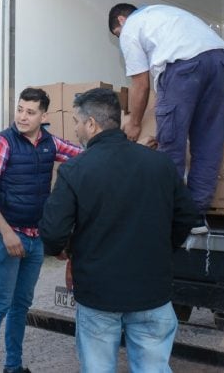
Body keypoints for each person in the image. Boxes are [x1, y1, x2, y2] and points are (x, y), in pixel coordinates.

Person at [39, 87, 200, 372]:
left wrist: (66, 249)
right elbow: (187, 216)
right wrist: (162, 248)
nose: (76, 129)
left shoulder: (75, 170)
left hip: (98, 295)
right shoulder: (159, 164)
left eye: (77, 121)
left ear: (92, 124)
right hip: (152, 290)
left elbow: (52, 234)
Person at [0, 87, 82, 373]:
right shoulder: (1, 142)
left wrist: (127, 149)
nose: (22, 117)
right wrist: (7, 232)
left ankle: (14, 367)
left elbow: (85, 157)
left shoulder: (51, 143)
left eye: (30, 112)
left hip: (35, 239)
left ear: (43, 115)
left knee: (21, 306)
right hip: (4, 237)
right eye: (20, 109)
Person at [109, 3, 224, 223]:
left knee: (170, 143)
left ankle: (169, 216)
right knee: (208, 141)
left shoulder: (130, 27)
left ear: (120, 21)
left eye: (117, 36)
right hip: (219, 60)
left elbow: (141, 84)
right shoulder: (162, 12)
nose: (120, 40)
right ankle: (195, 215)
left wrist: (134, 123)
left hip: (182, 66)